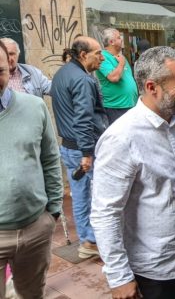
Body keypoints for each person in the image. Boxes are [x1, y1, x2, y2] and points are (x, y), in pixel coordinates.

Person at [91, 46, 175, 299]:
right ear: (152, 87)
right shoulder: (122, 137)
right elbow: (106, 212)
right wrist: (119, 276)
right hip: (152, 274)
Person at [0, 40, 62, 299]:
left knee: (32, 294)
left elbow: (50, 158)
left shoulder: (34, 107)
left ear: (9, 66)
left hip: (35, 228)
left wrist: (54, 211)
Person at [50, 36, 108, 259]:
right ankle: (91, 241)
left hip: (69, 146)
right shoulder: (82, 79)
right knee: (96, 196)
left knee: (80, 196)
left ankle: (87, 240)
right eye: (98, 53)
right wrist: (86, 153)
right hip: (83, 149)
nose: (102, 58)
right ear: (83, 55)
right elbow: (83, 118)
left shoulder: (62, 73)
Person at [96, 28, 138, 124]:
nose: (122, 39)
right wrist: (121, 64)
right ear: (111, 42)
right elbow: (114, 77)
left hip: (130, 105)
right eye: (119, 37)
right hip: (116, 107)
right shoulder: (103, 57)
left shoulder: (121, 57)